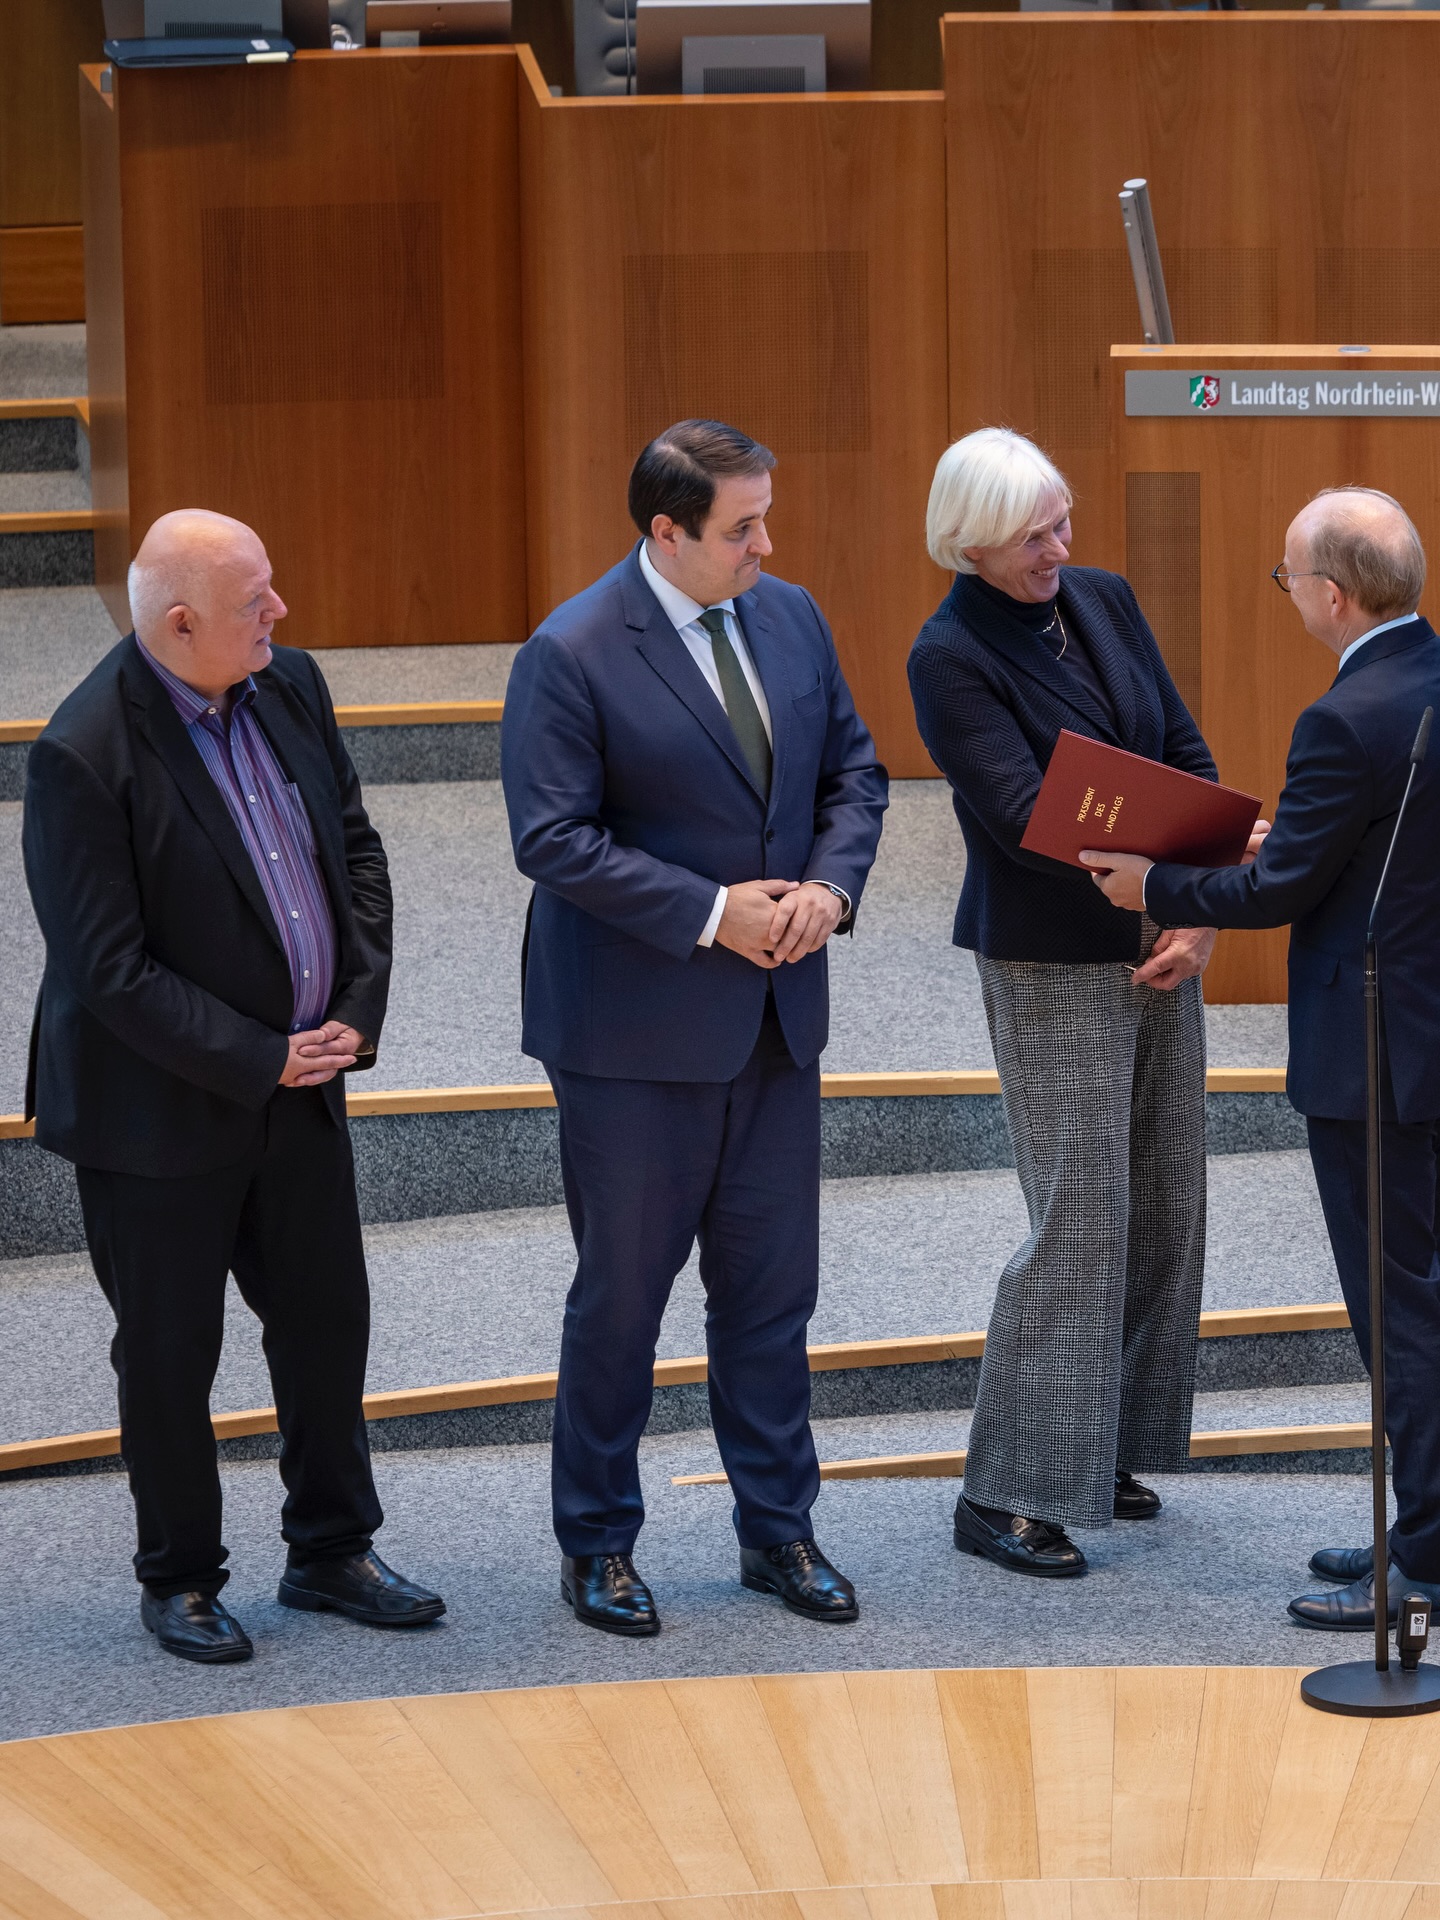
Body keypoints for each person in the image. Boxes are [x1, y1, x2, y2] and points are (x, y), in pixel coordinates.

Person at [22, 509, 445, 1664]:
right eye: (256, 600)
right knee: (171, 1353)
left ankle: (331, 1551)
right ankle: (181, 1578)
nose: (280, 612)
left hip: (301, 1084)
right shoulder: (81, 753)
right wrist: (262, 1055)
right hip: (155, 1113)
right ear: (179, 624)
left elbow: (354, 851)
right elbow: (107, 971)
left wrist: (356, 1002)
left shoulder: (288, 684)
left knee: (325, 1323)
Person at [501, 419, 887, 1636]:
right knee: (623, 1302)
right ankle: (598, 1544)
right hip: (633, 1037)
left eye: (766, 519)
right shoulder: (571, 651)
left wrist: (830, 890)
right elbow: (552, 839)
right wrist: (716, 913)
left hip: (776, 1023)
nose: (766, 546)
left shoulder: (792, 616)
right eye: (741, 528)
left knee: (772, 1296)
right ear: (665, 532)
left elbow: (855, 776)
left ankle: (778, 1531)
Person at [1085, 486, 1440, 1629]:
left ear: (1332, 597)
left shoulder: (1343, 719)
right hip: (1427, 1035)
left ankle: (1427, 1563)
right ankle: (1422, 1527)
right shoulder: (1426, 682)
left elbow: (1282, 891)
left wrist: (1157, 885)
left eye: (1288, 577)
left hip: (1375, 1055)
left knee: (1401, 1315)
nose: (1288, 594)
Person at [907, 427, 1220, 1579]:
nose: (1059, 547)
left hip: (1155, 937)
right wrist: (1167, 871)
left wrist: (1194, 906)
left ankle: (1098, 1450)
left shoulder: (1103, 599)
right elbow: (1026, 814)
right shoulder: (947, 655)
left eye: (1062, 521)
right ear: (970, 543)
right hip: (1050, 960)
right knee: (1079, 1221)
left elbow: (1182, 750)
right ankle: (1005, 1490)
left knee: (1165, 1204)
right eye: (1033, 535)